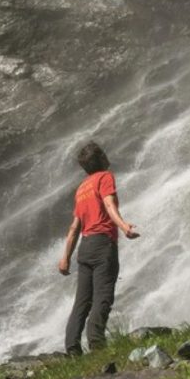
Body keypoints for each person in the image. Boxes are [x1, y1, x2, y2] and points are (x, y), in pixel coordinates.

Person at [58, 141, 139, 355]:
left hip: (85, 247)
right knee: (103, 296)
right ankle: (97, 344)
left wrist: (65, 257)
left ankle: (72, 348)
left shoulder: (82, 188)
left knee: (82, 301)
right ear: (101, 158)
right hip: (102, 243)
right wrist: (124, 227)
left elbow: (75, 226)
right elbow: (109, 204)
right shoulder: (105, 177)